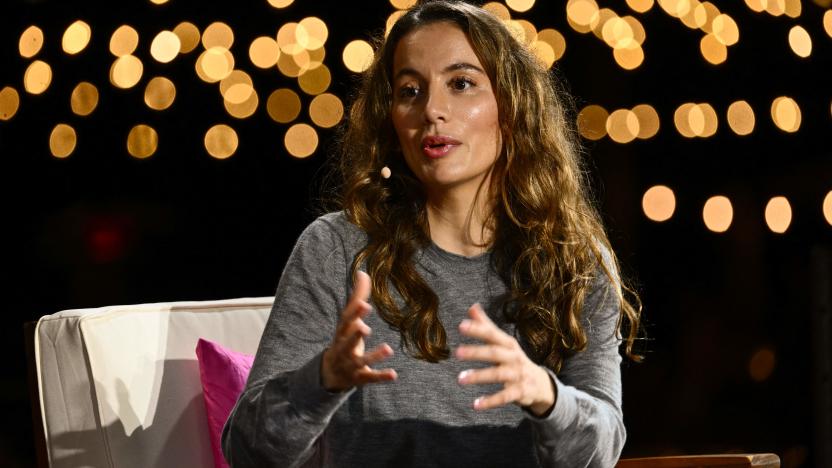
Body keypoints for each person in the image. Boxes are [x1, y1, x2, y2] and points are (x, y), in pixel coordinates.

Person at [222, 1, 641, 466]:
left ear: (513, 105)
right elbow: (247, 450)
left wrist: (544, 393)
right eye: (409, 91)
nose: (432, 110)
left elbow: (601, 451)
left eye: (461, 84)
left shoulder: (575, 263)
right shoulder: (337, 249)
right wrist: (322, 380)